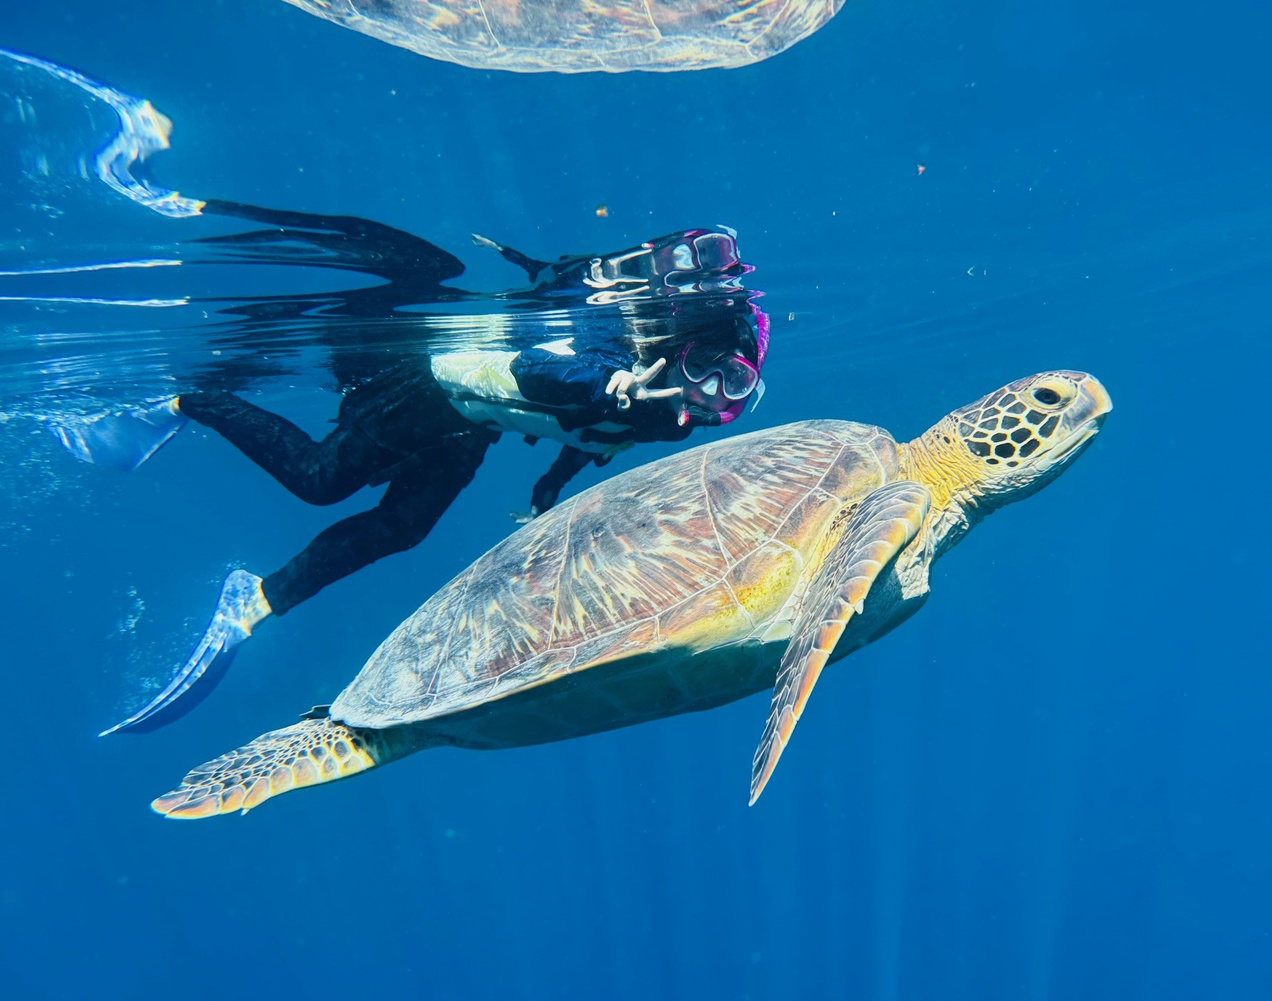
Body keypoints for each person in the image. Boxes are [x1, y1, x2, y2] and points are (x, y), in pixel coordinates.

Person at [56, 205, 768, 735]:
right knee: (319, 480)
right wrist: (606, 387)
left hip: (474, 422)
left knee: (403, 529)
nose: (711, 394)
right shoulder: (622, 366)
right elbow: (540, 372)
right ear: (677, 347)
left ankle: (257, 599)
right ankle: (190, 400)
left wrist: (549, 488)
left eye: (733, 385)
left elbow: (593, 440)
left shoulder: (662, 412)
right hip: (431, 385)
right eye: (706, 370)